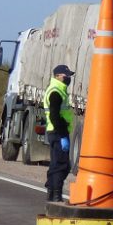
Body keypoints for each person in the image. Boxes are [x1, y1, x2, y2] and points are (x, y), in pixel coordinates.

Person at [44, 63, 75, 201]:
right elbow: (54, 116)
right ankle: (56, 195)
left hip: (55, 131)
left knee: (56, 164)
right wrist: (63, 135)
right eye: (66, 76)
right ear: (57, 76)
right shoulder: (56, 92)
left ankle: (51, 191)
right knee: (61, 165)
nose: (68, 78)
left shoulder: (59, 90)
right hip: (57, 132)